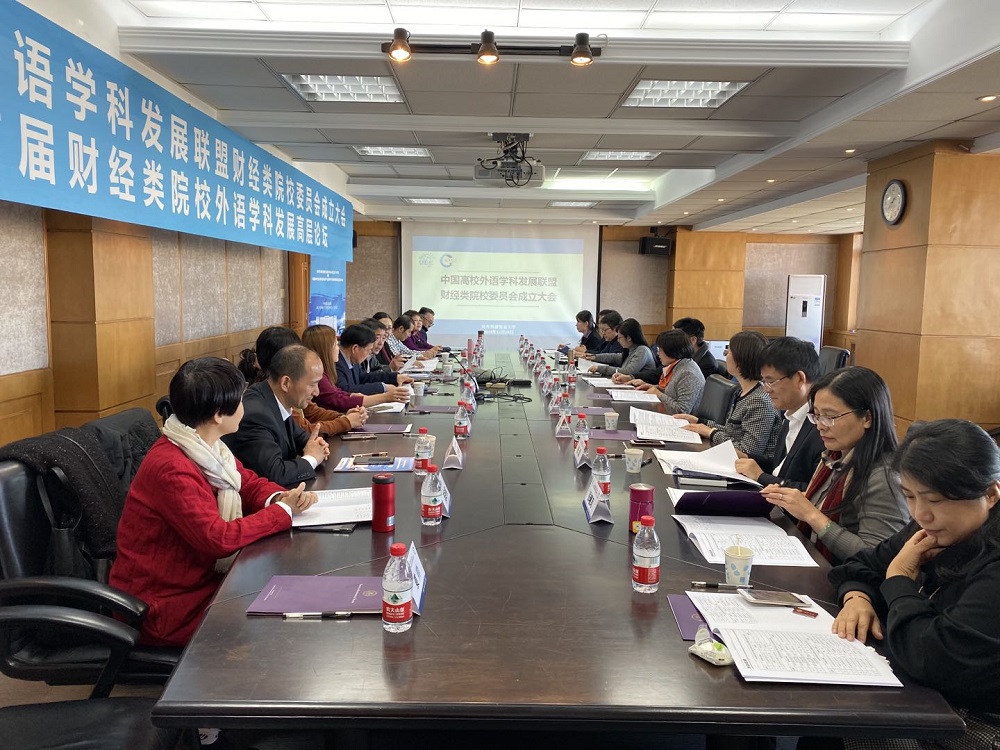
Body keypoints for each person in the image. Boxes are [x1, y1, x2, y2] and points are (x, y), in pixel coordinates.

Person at [110, 357, 318, 648]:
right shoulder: (172, 467)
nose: (245, 406)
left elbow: (247, 482)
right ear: (219, 414)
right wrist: (282, 511)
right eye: (240, 400)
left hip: (200, 584)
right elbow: (217, 538)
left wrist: (280, 496)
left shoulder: (205, 446)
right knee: (282, 621)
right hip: (166, 607)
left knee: (290, 595)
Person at [828, 419, 1000, 750]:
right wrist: (857, 598)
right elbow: (861, 565)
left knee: (848, 719)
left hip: (973, 721)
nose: (921, 514)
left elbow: (933, 659)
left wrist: (897, 581)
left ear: (990, 494)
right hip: (927, 695)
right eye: (909, 496)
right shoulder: (931, 530)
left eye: (935, 500)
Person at [759, 366, 909, 564]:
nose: (820, 425)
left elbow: (878, 558)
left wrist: (811, 515)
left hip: (845, 579)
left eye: (830, 417)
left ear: (867, 418)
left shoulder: (884, 476)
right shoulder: (835, 456)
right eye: (816, 415)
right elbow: (826, 505)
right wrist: (790, 498)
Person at [222, 344, 331, 487]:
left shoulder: (273, 397)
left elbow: (301, 439)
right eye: (312, 385)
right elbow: (275, 474)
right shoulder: (256, 414)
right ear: (285, 383)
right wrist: (311, 459)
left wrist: (318, 445)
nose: (317, 392)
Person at [238, 326, 366, 436]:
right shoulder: (275, 393)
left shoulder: (291, 385)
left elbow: (312, 412)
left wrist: (343, 417)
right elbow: (305, 431)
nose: (316, 392)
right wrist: (346, 422)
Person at [735, 337, 825, 491]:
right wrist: (747, 458)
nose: (766, 389)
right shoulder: (791, 413)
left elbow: (815, 492)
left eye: (770, 381)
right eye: (764, 382)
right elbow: (782, 467)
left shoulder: (822, 425)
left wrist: (761, 477)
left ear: (799, 379)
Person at [676, 331, 780, 456]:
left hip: (744, 465)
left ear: (740, 360)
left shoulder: (759, 400)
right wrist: (699, 421)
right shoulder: (743, 392)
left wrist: (711, 433)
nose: (725, 354)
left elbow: (748, 452)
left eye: (729, 351)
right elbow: (732, 431)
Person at [301, 324, 410, 411]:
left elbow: (360, 379)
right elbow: (337, 398)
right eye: (335, 345)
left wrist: (393, 377)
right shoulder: (331, 367)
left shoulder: (350, 361)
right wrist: (385, 396)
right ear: (355, 348)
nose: (338, 348)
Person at [627, 328, 705, 414]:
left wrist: (658, 394)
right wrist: (652, 387)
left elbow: (682, 411)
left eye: (660, 350)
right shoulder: (679, 365)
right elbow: (672, 392)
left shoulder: (688, 374)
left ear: (671, 351)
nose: (658, 354)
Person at [336, 323, 413, 394]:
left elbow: (364, 377)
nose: (369, 353)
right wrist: (383, 387)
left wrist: (395, 377)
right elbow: (345, 390)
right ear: (355, 348)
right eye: (368, 350)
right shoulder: (337, 363)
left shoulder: (352, 359)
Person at [587, 318, 654, 380]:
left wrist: (600, 368)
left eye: (620, 338)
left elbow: (627, 371)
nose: (618, 341)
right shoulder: (630, 349)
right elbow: (614, 357)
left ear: (629, 338)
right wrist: (594, 357)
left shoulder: (642, 350)